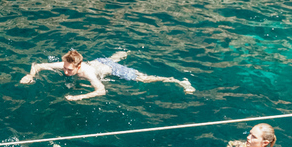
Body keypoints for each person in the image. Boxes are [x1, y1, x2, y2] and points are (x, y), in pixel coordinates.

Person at [19, 49, 195, 100]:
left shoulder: (86, 72)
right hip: (99, 62)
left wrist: (79, 97)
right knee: (107, 61)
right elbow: (39, 65)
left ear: (78, 66)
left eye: (69, 70)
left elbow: (101, 91)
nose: (65, 71)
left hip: (112, 70)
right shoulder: (66, 64)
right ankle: (122, 53)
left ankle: (178, 81)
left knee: (144, 79)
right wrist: (31, 75)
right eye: (65, 68)